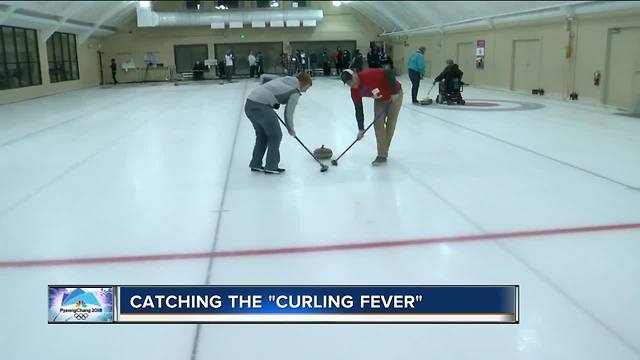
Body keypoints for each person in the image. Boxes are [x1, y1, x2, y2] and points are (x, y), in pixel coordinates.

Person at [244, 72, 313, 174]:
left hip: (250, 104)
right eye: (307, 87)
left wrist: (271, 99)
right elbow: (288, 113)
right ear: (302, 82)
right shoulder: (295, 91)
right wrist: (291, 129)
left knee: (262, 136)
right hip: (262, 106)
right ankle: (271, 166)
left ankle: (256, 164)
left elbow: (264, 78)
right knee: (275, 136)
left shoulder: (285, 79)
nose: (306, 91)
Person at [340, 68, 403, 166]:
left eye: (351, 80)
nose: (351, 84)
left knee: (391, 124)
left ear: (355, 74)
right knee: (377, 124)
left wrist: (394, 92)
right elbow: (358, 109)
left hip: (394, 96)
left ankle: (383, 150)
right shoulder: (354, 91)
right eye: (348, 83)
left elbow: (389, 73)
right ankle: (382, 155)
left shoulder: (369, 75)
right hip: (380, 100)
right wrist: (361, 128)